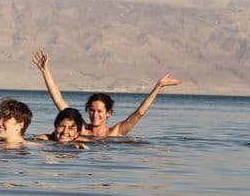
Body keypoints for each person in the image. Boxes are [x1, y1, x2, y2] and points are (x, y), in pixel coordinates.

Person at [32, 50, 182, 139]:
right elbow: (58, 100)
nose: (94, 114)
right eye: (91, 110)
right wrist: (45, 71)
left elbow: (139, 113)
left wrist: (158, 86)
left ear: (108, 113)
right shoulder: (80, 129)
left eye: (99, 111)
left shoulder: (116, 132)